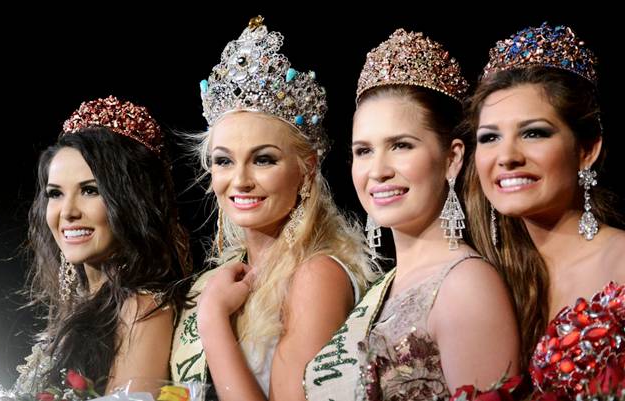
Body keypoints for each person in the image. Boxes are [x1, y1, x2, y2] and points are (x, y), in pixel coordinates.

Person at [304, 28, 520, 401]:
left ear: (452, 158)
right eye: (364, 151)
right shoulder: (383, 287)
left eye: (401, 145)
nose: (378, 170)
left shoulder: (466, 286)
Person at [170, 16, 376, 401]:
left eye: (263, 159)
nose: (240, 180)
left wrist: (212, 321)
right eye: (224, 161)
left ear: (306, 170)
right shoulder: (227, 277)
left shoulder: (317, 275)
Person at [463, 22, 625, 399]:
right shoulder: (489, 280)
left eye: (534, 132)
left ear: (587, 150)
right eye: (490, 137)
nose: (507, 156)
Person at [15, 96, 191, 395]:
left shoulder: (142, 309)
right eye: (55, 194)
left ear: (132, 202)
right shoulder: (86, 302)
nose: (67, 212)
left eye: (90, 190)